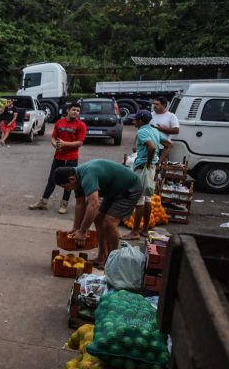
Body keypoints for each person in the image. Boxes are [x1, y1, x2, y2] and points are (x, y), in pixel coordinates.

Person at [53, 159, 142, 268]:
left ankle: (112, 261)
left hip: (129, 189)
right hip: (113, 190)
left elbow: (94, 204)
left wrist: (83, 231)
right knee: (98, 219)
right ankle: (102, 256)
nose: (67, 190)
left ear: (71, 179)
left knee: (109, 222)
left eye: (66, 187)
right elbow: (80, 205)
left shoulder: (87, 176)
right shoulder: (77, 180)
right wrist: (76, 228)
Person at [29, 103, 87, 214]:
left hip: (71, 159)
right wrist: (55, 144)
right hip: (58, 157)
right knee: (52, 180)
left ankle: (64, 204)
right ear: (68, 110)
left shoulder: (81, 125)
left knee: (69, 182)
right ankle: (43, 202)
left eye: (78, 110)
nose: (76, 112)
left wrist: (65, 144)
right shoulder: (59, 122)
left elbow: (79, 143)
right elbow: (53, 137)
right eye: (74, 109)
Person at [122, 110, 171, 239]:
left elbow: (152, 147)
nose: (133, 121)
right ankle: (144, 230)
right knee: (147, 198)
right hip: (150, 167)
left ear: (140, 121)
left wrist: (149, 162)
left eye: (135, 119)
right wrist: (158, 161)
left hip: (143, 167)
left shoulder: (142, 131)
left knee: (139, 199)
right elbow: (168, 145)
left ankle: (135, 232)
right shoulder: (154, 130)